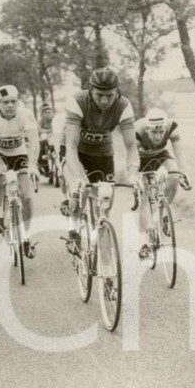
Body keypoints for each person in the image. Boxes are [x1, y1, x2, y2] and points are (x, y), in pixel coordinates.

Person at [61, 67, 139, 256]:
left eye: (109, 96)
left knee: (106, 197)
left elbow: (131, 147)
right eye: (99, 95)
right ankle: (73, 231)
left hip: (102, 152)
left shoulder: (123, 105)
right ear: (90, 91)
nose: (104, 100)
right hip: (76, 151)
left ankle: (99, 231)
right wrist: (79, 178)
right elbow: (70, 146)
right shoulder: (77, 101)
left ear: (117, 92)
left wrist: (133, 173)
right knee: (80, 192)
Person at [0, 84, 39, 257]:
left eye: (13, 102)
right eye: (6, 102)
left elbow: (34, 141)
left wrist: (32, 165)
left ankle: (25, 237)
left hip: (20, 153)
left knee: (26, 196)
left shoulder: (25, 114)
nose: (10, 105)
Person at [133, 107, 191, 259]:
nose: (158, 137)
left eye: (161, 132)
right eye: (154, 132)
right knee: (145, 195)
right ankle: (143, 242)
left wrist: (183, 173)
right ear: (147, 129)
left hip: (161, 156)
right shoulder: (137, 131)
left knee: (174, 175)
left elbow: (179, 153)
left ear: (165, 128)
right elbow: (131, 156)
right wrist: (134, 177)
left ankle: (163, 212)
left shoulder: (172, 127)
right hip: (140, 159)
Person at [36, 101, 57, 183]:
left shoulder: (54, 119)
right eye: (46, 112)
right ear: (42, 114)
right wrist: (49, 131)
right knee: (41, 143)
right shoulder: (40, 121)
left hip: (53, 138)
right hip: (45, 138)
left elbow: (58, 127)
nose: (48, 114)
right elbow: (38, 129)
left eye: (49, 112)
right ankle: (41, 161)